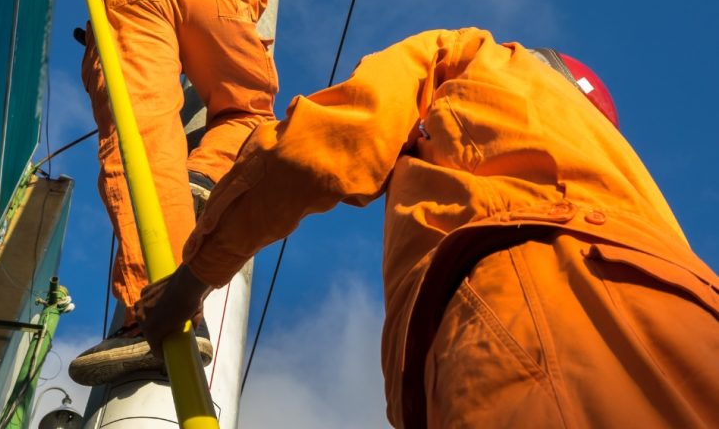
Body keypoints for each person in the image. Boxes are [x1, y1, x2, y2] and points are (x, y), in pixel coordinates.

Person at [138, 27, 719, 428]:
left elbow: (323, 145)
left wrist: (194, 279)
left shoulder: (474, 57)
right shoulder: (621, 174)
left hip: (542, 309)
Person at [25, 0, 278, 385]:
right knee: (251, 108)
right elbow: (251, 9)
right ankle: (205, 174)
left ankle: (157, 313)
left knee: (145, 141)